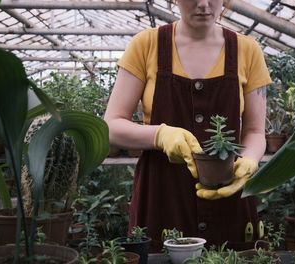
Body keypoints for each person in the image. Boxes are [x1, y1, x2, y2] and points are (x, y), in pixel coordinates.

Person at [104, 0, 271, 252]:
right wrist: (160, 135)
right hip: (162, 195)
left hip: (228, 192)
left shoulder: (247, 50)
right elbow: (111, 126)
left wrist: (248, 160)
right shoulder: (146, 45)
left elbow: (255, 131)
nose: (203, 4)